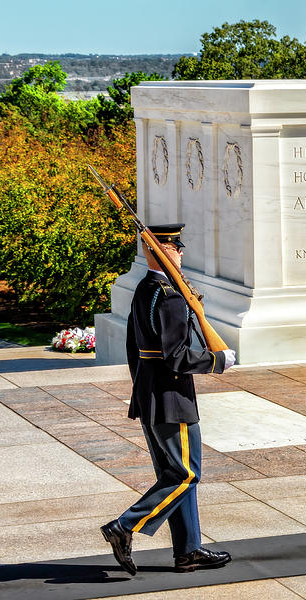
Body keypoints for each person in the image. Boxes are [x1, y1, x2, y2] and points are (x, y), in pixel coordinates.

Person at [101, 223, 236, 576]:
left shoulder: (145, 289)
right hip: (173, 397)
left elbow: (135, 349)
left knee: (173, 474)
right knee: (186, 474)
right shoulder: (171, 295)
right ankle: (124, 526)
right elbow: (177, 356)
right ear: (157, 250)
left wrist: (142, 390)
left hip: (150, 395)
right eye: (174, 246)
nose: (181, 251)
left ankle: (188, 550)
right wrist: (216, 361)